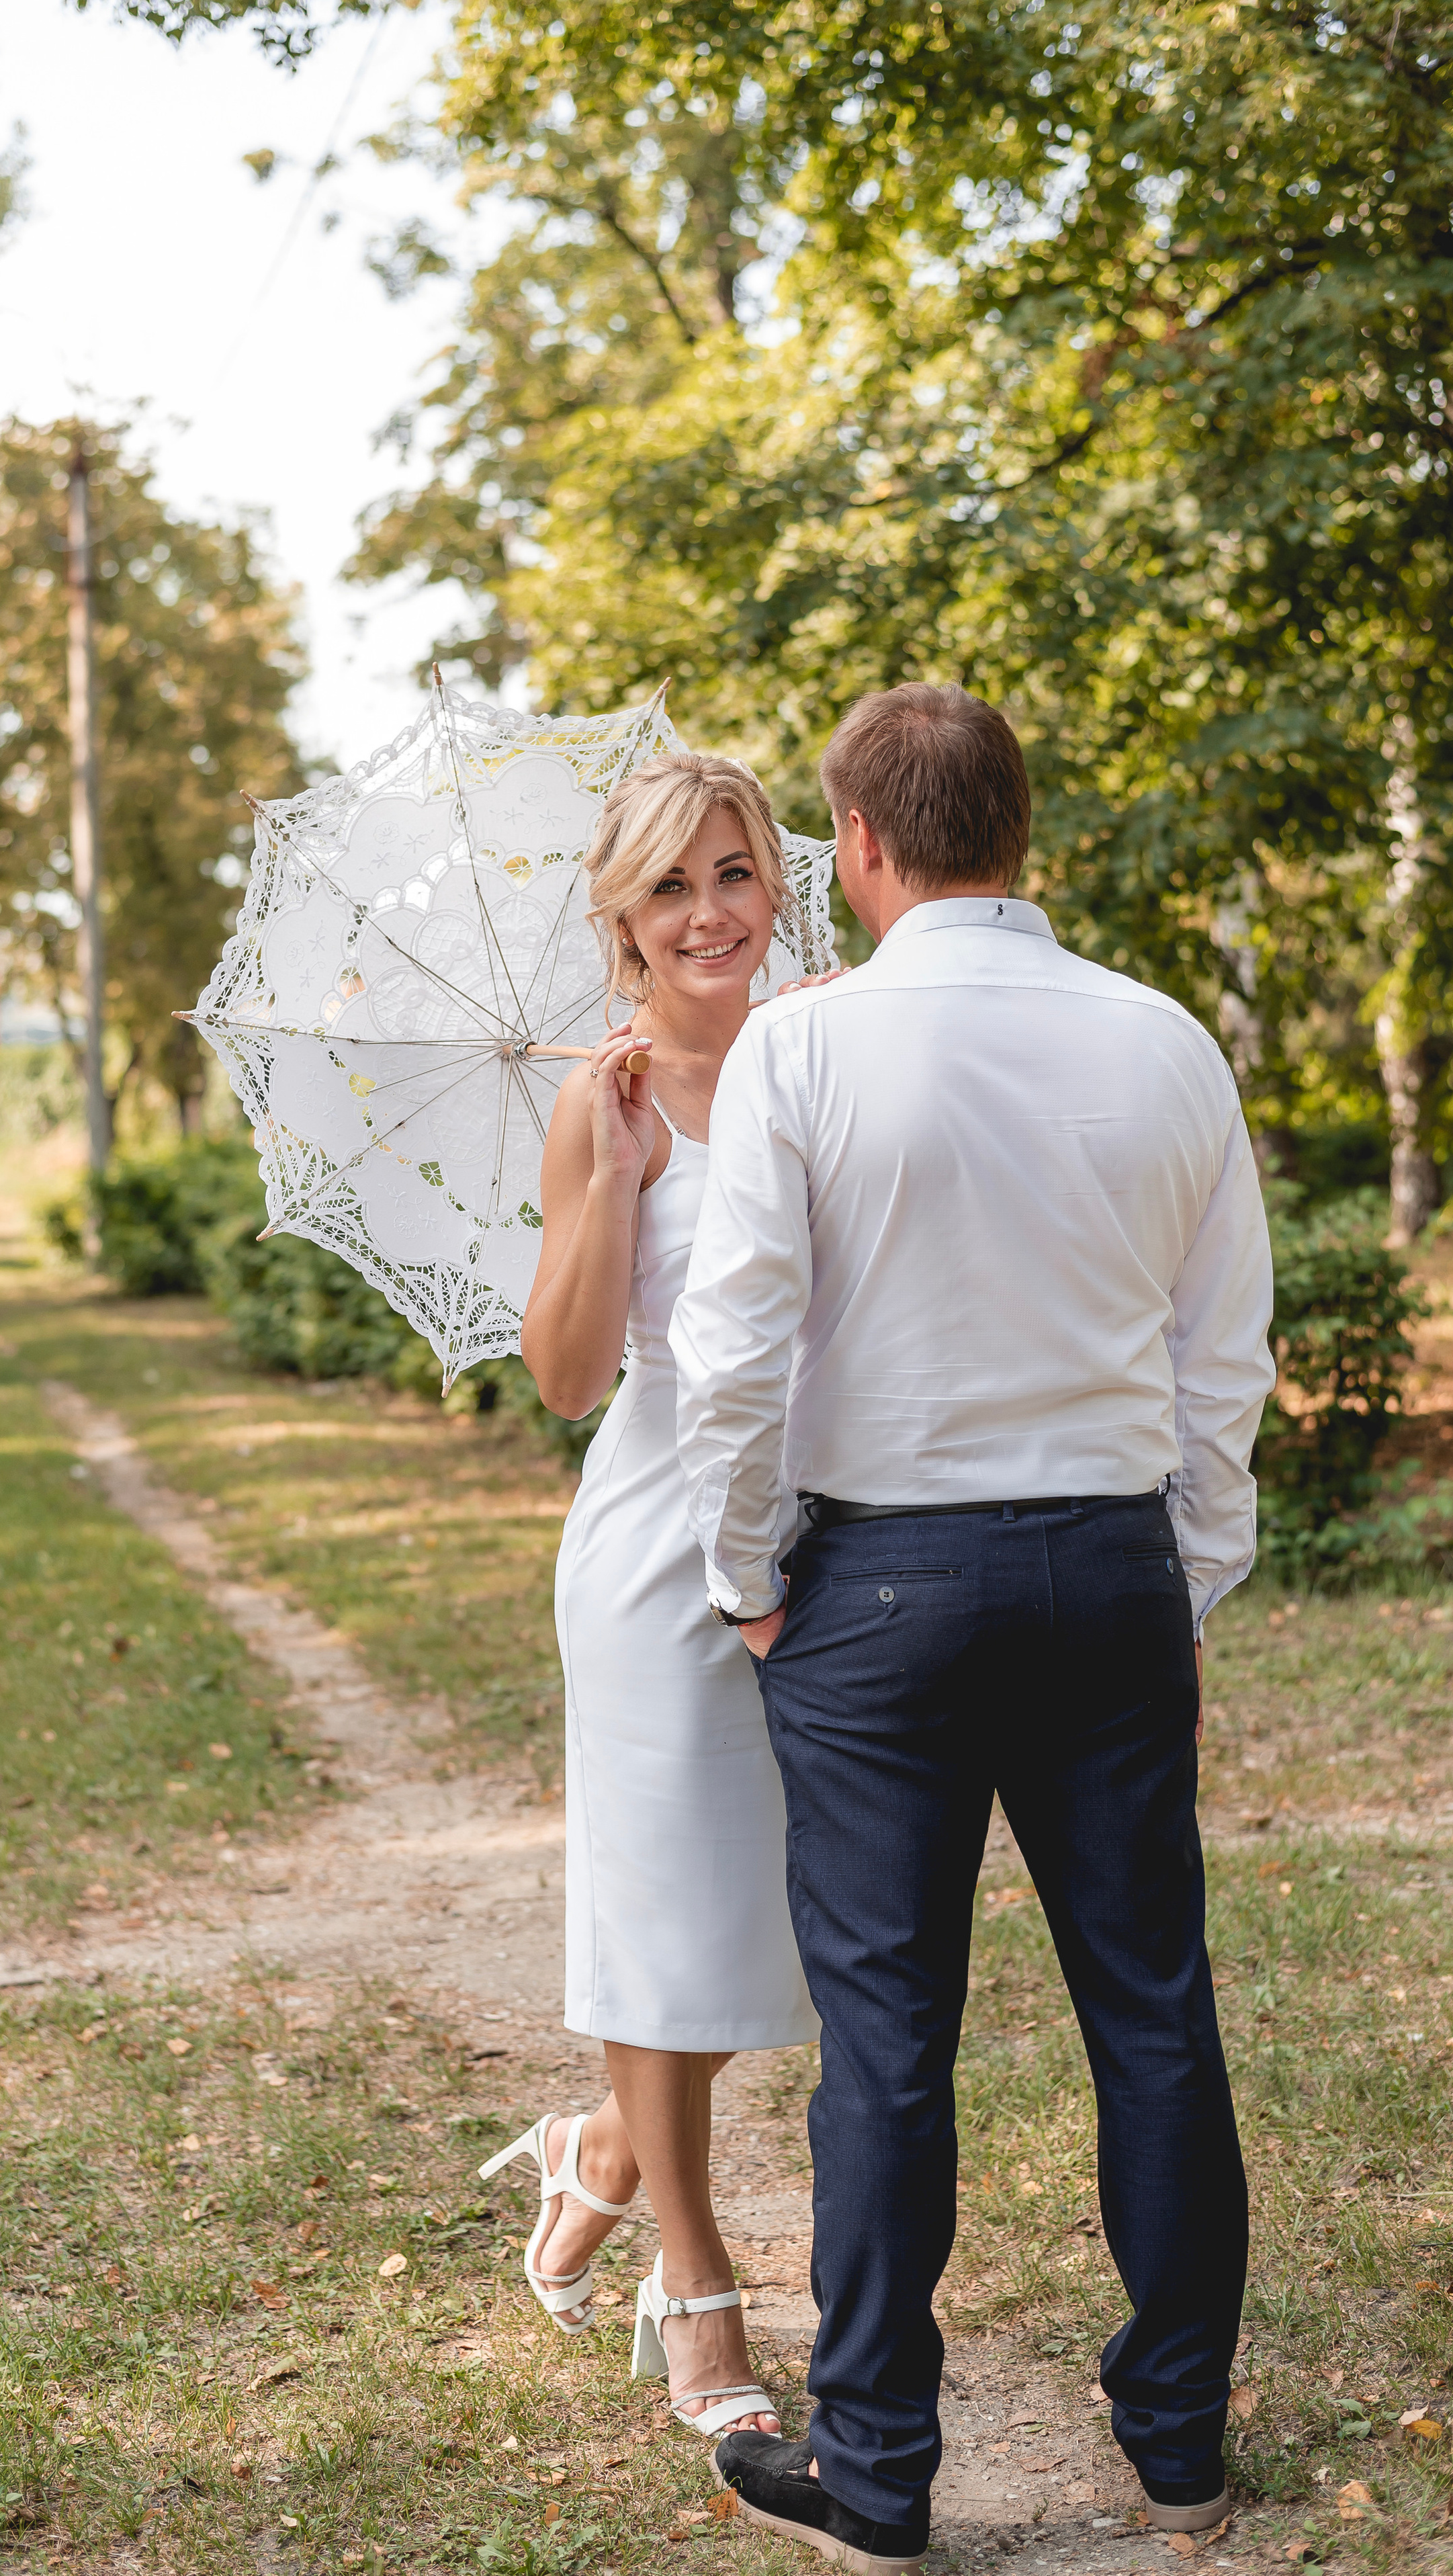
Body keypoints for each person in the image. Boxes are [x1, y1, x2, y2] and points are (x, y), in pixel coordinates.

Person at [670, 685, 1275, 2573]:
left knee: (886, 2042)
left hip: (876, 1593)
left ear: (856, 843)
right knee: (1152, 2008)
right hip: (1107, 1567)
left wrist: (743, 1575)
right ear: (1020, 830)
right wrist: (1189, 1579)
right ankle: (1179, 2442)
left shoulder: (802, 1047)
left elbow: (735, 1348)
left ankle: (879, 2473)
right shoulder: (1163, 1038)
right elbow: (1221, 1357)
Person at [478, 750, 819, 2442]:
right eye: (670, 886)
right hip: (655, 1544)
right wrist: (614, 1179)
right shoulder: (595, 1100)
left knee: (779, 1922)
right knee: (668, 1920)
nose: (707, 914)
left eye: (733, 872)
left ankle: (601, 2147)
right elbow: (563, 1377)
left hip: (831, 1532)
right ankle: (694, 2285)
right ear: (621, 918)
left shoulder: (830, 1050)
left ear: (777, 885)